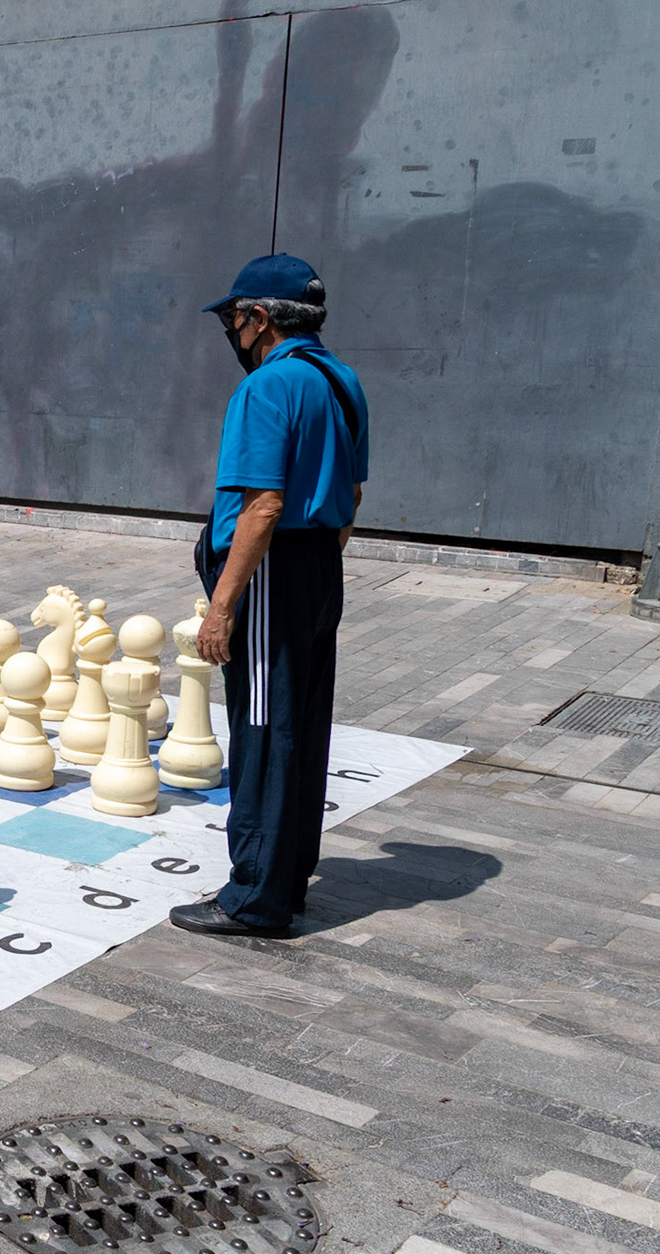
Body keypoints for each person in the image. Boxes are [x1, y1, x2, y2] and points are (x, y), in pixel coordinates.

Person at [170, 253, 369, 939]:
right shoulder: (341, 382)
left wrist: (224, 606)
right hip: (318, 569)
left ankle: (253, 896)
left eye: (232, 317)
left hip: (271, 572)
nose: (230, 330)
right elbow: (351, 499)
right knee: (303, 728)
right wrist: (315, 571)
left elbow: (262, 505)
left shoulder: (267, 388)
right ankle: (287, 877)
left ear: (260, 318)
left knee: (261, 730)